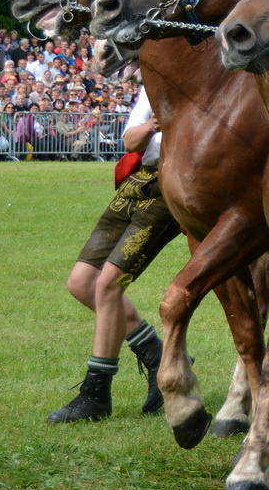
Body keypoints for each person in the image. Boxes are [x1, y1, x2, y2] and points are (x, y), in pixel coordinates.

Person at [48, 85, 181, 423]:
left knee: (107, 285)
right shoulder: (149, 88)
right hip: (136, 183)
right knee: (81, 282)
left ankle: (96, 395)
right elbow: (130, 142)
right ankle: (156, 354)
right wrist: (154, 124)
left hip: (170, 186)